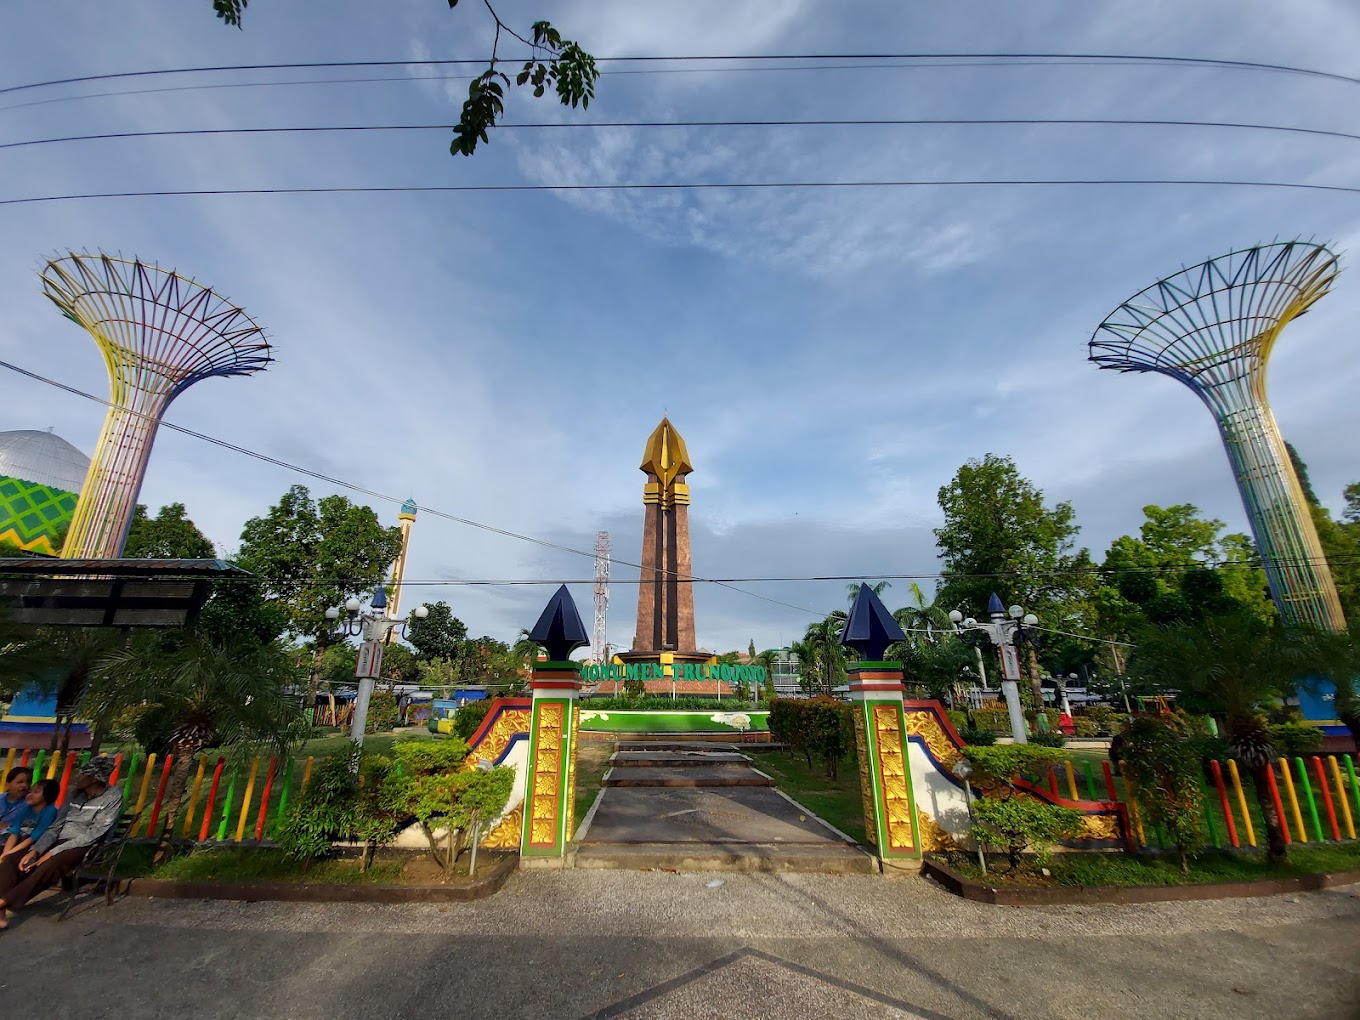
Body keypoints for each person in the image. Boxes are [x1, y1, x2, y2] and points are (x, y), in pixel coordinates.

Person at [0, 755, 122, 929]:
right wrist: (36, 850)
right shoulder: (74, 793)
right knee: (14, 858)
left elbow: (94, 834)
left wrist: (51, 852)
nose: (76, 778)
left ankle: (3, 902)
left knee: (50, 863)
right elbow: (55, 827)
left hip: (84, 844)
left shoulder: (112, 796)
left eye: (82, 775)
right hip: (59, 838)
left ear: (94, 779)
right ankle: (1, 912)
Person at [2, 779, 61, 860]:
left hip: (33, 845)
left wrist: (8, 853)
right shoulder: (26, 808)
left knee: (11, 858)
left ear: (47, 795)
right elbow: (14, 832)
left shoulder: (50, 811)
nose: (30, 795)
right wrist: (5, 853)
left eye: (36, 792)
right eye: (30, 791)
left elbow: (34, 837)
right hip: (19, 840)